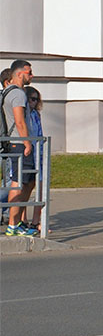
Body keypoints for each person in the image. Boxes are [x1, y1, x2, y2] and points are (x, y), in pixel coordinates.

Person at [2, 60, 37, 236]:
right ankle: (13, 224)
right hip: (19, 143)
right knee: (18, 183)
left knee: (28, 182)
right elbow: (19, 120)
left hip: (17, 142)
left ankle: (18, 223)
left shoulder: (10, 92)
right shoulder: (18, 94)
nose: (31, 75)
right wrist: (27, 142)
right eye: (29, 72)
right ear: (19, 74)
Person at [23, 86, 46, 234]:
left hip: (38, 152)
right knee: (23, 186)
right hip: (26, 151)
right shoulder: (23, 113)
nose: (34, 102)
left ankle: (36, 221)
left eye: (36, 99)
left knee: (39, 186)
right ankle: (22, 220)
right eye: (32, 99)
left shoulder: (36, 114)